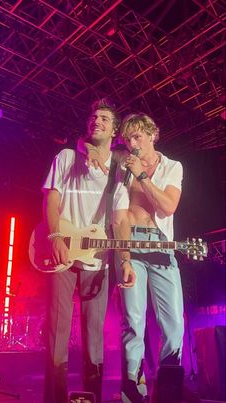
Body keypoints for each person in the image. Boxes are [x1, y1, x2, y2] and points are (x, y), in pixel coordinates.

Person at [42, 99, 135, 403]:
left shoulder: (119, 172)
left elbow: (121, 220)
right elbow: (52, 198)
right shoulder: (68, 156)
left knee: (94, 339)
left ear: (114, 131)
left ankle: (91, 398)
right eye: (94, 117)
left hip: (98, 261)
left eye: (105, 118)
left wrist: (125, 259)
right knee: (57, 333)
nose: (97, 121)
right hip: (63, 254)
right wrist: (55, 235)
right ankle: (54, 398)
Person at [112, 113, 185, 403]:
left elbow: (168, 207)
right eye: (128, 139)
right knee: (133, 320)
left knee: (174, 324)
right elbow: (119, 215)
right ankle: (133, 389)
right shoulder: (122, 168)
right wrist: (124, 258)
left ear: (152, 134)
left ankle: (167, 389)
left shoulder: (172, 166)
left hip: (161, 245)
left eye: (138, 136)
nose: (132, 143)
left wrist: (142, 175)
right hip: (131, 244)